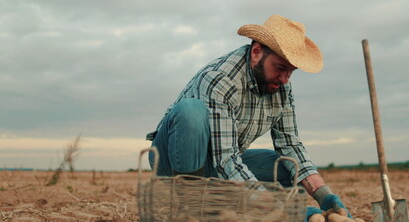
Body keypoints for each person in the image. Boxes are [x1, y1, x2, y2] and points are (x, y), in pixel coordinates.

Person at [146, 14, 351, 220]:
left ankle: (225, 206)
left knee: (284, 166)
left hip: (218, 168)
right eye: (280, 68)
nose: (285, 79)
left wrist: (323, 193)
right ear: (256, 52)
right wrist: (282, 210)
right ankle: (192, 206)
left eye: (291, 71)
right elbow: (225, 159)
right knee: (190, 111)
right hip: (174, 161)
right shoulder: (221, 79)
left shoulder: (282, 88)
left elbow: (291, 144)